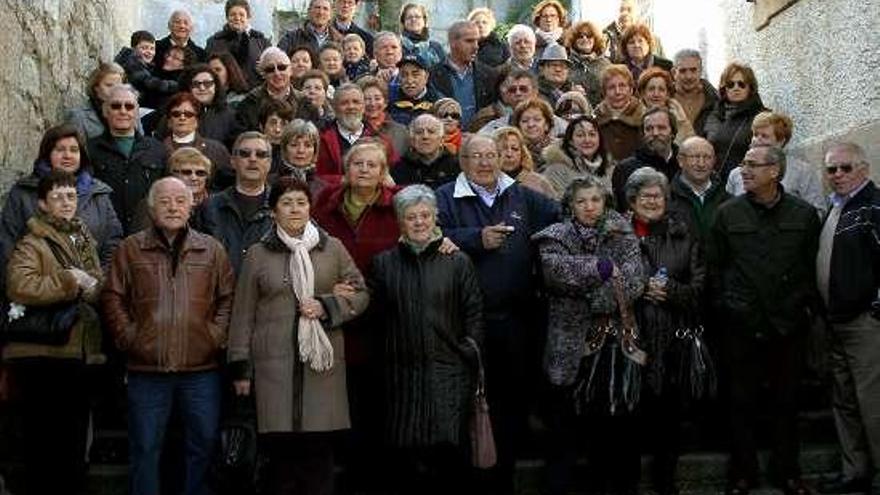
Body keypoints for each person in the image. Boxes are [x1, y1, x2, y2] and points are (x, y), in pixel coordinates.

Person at [227, 176, 368, 495]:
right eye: (286, 203)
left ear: (310, 208)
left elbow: (360, 294)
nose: (295, 209)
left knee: (318, 460)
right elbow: (243, 313)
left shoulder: (331, 248)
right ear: (274, 210)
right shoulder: (259, 254)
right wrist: (240, 367)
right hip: (272, 370)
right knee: (280, 462)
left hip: (321, 369)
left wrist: (327, 305)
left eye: (301, 203)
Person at [436, 134, 560, 494]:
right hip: (464, 321)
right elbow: (430, 232)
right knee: (468, 401)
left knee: (509, 402)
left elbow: (561, 213)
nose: (486, 162)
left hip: (516, 320)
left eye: (492, 155)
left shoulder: (520, 194)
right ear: (463, 161)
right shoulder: (446, 196)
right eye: (477, 156)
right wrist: (476, 238)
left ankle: (503, 475)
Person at [102, 177, 235, 495]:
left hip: (201, 370)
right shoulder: (130, 248)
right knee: (145, 448)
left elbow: (227, 298)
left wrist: (213, 336)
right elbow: (112, 296)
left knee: (202, 445)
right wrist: (129, 337)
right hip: (147, 370)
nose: (173, 207)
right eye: (164, 201)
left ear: (192, 206)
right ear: (151, 207)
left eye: (180, 200)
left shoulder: (211, 249)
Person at [709, 144, 819, 495]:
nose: (745, 170)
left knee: (787, 402)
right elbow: (716, 268)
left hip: (788, 325)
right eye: (743, 164)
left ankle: (787, 471)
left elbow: (811, 265)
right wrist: (728, 306)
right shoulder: (728, 214)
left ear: (775, 171)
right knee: (741, 402)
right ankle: (743, 473)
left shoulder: (802, 215)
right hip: (741, 325)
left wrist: (803, 308)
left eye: (753, 165)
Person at [368, 184, 484, 494]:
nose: (419, 222)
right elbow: (376, 320)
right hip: (401, 378)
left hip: (449, 374)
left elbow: (473, 314)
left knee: (449, 459)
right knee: (406, 462)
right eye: (411, 217)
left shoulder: (457, 261)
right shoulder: (384, 263)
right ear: (400, 222)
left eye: (425, 215)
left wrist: (466, 354)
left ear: (436, 218)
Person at [532, 175, 643, 495]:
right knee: (564, 423)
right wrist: (604, 269)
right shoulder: (554, 236)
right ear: (570, 206)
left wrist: (589, 295)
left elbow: (634, 283)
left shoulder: (623, 234)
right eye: (581, 201)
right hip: (568, 343)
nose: (589, 207)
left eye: (595, 200)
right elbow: (556, 274)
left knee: (612, 423)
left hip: (612, 343)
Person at [2, 170, 105, 495]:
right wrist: (68, 281)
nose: (65, 202)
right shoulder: (33, 240)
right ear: (43, 204)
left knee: (73, 440)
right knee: (45, 441)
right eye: (58, 197)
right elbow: (20, 285)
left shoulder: (81, 236)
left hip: (75, 351)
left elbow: (93, 281)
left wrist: (92, 287)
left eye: (71, 196)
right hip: (43, 354)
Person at [311, 141, 402, 494]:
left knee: (376, 411)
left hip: (382, 323)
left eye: (372, 165)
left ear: (383, 173)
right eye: (357, 163)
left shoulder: (397, 207)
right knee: (341, 411)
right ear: (346, 169)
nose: (364, 169)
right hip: (336, 323)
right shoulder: (324, 208)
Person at [625, 167, 705, 495]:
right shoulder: (618, 233)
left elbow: (699, 289)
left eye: (657, 195)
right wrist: (640, 288)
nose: (651, 201)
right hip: (629, 338)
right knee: (629, 416)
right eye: (644, 196)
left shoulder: (684, 233)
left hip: (673, 339)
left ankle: (665, 481)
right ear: (631, 200)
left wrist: (670, 290)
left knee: (668, 417)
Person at [816, 143, 880, 495]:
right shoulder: (836, 207)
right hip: (835, 321)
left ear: (864, 169)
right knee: (844, 401)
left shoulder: (874, 206)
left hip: (864, 323)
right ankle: (855, 470)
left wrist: (875, 309)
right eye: (831, 170)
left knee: (873, 403)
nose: (837, 175)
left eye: (845, 168)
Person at [0, 124, 122, 273]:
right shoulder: (24, 193)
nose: (68, 156)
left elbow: (113, 242)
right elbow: (7, 245)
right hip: (38, 289)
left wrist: (99, 283)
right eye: (60, 150)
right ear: (47, 154)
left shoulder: (98, 193)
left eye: (74, 150)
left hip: (93, 288)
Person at [88, 84, 168, 235]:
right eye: (116, 106)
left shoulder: (157, 150)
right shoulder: (89, 149)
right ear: (105, 111)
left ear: (137, 112)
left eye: (129, 106)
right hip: (105, 235)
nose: (123, 111)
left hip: (148, 235)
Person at [200, 131, 275, 274]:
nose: (252, 159)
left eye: (260, 154)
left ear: (270, 163)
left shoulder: (281, 206)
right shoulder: (210, 207)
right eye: (245, 154)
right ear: (233, 161)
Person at [725, 111, 826, 216]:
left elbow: (818, 212)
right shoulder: (736, 175)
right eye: (755, 135)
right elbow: (728, 214)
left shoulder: (802, 171)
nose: (757, 140)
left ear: (781, 141)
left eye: (764, 136)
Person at [316, 83, 398, 179]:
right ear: (334, 108)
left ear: (363, 107)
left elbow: (392, 177)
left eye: (356, 102)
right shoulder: (321, 140)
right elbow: (318, 179)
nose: (351, 107)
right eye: (344, 103)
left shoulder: (381, 140)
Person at [704, 61, 767, 182]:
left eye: (741, 84)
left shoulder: (761, 117)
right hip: (713, 184)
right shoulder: (714, 115)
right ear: (724, 88)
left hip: (745, 182)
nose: (736, 88)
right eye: (730, 84)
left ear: (750, 87)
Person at [429, 20, 498, 129]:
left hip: (479, 139)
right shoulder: (432, 75)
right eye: (469, 41)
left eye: (477, 41)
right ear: (452, 42)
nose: (476, 47)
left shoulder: (489, 74)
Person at [612, 107, 681, 209]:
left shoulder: (685, 164)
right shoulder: (625, 168)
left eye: (661, 128)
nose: (655, 133)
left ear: (673, 132)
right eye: (649, 129)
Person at [161, 92, 232, 190]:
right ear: (169, 121)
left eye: (188, 114)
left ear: (197, 121)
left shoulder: (216, 149)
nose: (182, 118)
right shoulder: (157, 149)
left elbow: (227, 184)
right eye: (176, 114)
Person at [667, 136, 729, 244]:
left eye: (707, 157)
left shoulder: (727, 199)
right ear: (680, 161)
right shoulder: (666, 198)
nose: (701, 164)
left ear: (714, 161)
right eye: (695, 157)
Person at [235, 47, 308, 134]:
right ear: (263, 74)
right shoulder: (249, 103)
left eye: (282, 67)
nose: (277, 73)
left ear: (291, 70)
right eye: (270, 69)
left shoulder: (304, 102)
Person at [475, 70, 568, 137]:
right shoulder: (495, 128)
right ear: (505, 96)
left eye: (523, 89)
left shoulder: (557, 124)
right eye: (512, 90)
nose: (518, 93)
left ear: (535, 92)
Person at [542, 115, 614, 199]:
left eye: (592, 134)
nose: (587, 140)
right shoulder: (556, 170)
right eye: (580, 135)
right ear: (570, 140)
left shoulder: (609, 168)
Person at [205, 0, 271, 88]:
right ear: (227, 17)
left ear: (248, 17)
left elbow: (273, 67)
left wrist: (266, 69)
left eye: (241, 14)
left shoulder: (261, 41)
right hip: (224, 94)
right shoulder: (214, 42)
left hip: (255, 93)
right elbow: (206, 69)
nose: (237, 18)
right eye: (233, 14)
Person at [114, 31, 180, 111]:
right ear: (133, 48)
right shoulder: (131, 61)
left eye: (152, 49)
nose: (149, 52)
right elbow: (148, 82)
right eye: (144, 48)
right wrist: (176, 85)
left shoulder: (141, 63)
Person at [594, 64, 645, 163]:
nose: (617, 92)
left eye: (622, 86)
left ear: (631, 89)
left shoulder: (645, 117)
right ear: (604, 92)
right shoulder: (594, 120)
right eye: (611, 87)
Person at [392, 114, 458, 189]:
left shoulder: (456, 167)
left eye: (431, 132)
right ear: (412, 140)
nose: (425, 136)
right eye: (419, 132)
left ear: (441, 140)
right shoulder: (399, 168)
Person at [64, 62, 126, 140]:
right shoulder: (80, 117)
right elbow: (75, 148)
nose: (115, 90)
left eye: (119, 86)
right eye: (109, 85)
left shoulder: (130, 111)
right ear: (96, 88)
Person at [180, 64, 238, 146]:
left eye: (207, 83)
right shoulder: (176, 113)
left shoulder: (231, 116)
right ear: (188, 87)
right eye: (196, 84)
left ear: (216, 86)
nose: (202, 88)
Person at [273, 119, 331, 199]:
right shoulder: (270, 184)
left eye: (307, 145)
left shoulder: (325, 189)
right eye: (294, 145)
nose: (301, 150)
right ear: (284, 149)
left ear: (315, 150)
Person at [637, 67, 695, 146]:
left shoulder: (679, 118)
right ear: (643, 93)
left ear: (668, 94)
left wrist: (682, 122)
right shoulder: (634, 117)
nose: (656, 94)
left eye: (661, 89)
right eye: (651, 89)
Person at [494, 126, 556, 198]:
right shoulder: (482, 183)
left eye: (515, 149)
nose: (509, 154)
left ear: (522, 153)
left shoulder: (538, 183)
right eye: (503, 148)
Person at [358, 75, 410, 157]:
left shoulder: (401, 131)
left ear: (385, 102)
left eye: (377, 98)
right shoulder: (353, 131)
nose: (372, 103)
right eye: (366, 99)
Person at [563, 21, 611, 107]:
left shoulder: (606, 65)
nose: (585, 39)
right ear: (574, 40)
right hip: (573, 113)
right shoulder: (566, 63)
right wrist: (569, 90)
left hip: (601, 113)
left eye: (589, 36)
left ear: (595, 39)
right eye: (580, 36)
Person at [671, 49, 718, 137]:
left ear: (700, 71)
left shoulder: (716, 99)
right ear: (674, 72)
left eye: (693, 70)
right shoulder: (663, 98)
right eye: (683, 71)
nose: (689, 76)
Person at [278, 0, 344, 57]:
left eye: (325, 9)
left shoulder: (339, 40)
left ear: (330, 15)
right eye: (317, 8)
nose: (321, 12)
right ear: (309, 11)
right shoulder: (291, 38)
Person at [388, 54, 438, 126]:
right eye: (404, 75)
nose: (409, 80)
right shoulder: (389, 99)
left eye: (415, 75)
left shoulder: (437, 102)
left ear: (426, 76)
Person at [511, 97, 558, 172]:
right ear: (518, 127)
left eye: (537, 120)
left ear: (547, 125)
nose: (531, 124)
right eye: (525, 121)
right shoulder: (512, 151)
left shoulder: (561, 149)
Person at [398, 3, 445, 69]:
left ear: (424, 21)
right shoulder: (397, 45)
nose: (413, 20)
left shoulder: (435, 47)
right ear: (403, 22)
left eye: (417, 17)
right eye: (409, 17)